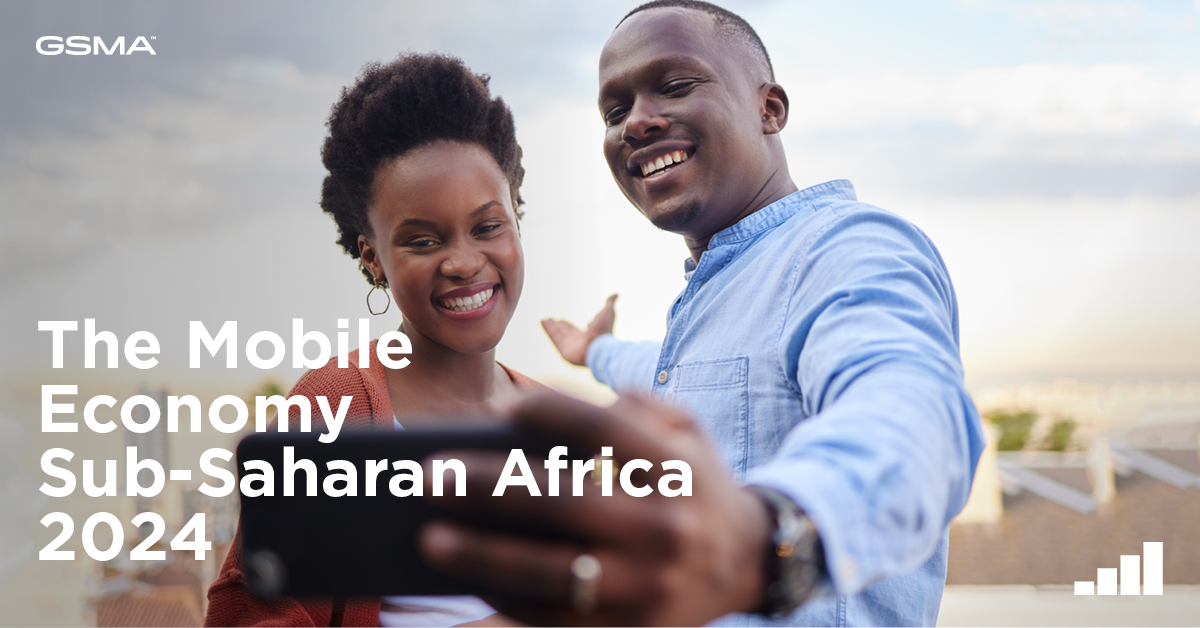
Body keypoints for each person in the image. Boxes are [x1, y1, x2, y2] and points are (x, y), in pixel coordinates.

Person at [414, 1, 986, 626]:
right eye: (614, 111)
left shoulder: (844, 247)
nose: (636, 122)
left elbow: (915, 423)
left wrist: (762, 540)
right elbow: (674, 373)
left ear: (770, 109)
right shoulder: (710, 298)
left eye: (676, 85)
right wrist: (594, 353)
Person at [204, 52, 534, 627]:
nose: (463, 261)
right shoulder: (331, 410)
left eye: (487, 226)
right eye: (422, 241)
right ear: (372, 257)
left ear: (516, 219)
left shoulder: (552, 420)